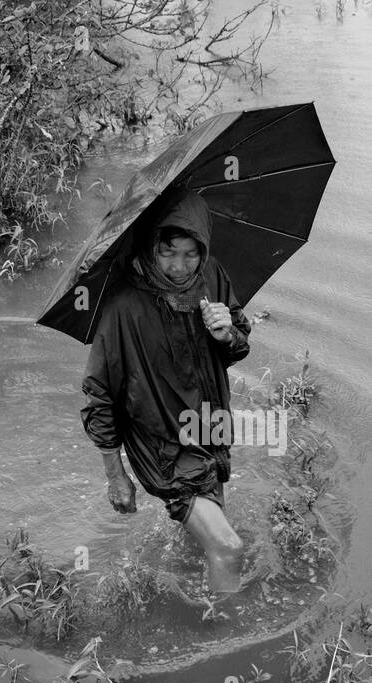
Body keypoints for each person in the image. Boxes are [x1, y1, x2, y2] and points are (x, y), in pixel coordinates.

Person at [80, 187, 253, 592]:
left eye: (191, 253)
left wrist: (227, 334)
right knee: (228, 547)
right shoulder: (124, 308)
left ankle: (194, 582)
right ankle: (225, 635)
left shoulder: (212, 277)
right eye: (168, 252)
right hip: (163, 445)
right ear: (149, 248)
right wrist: (115, 476)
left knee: (209, 531)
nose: (180, 266)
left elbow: (239, 342)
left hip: (211, 427)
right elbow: (99, 393)